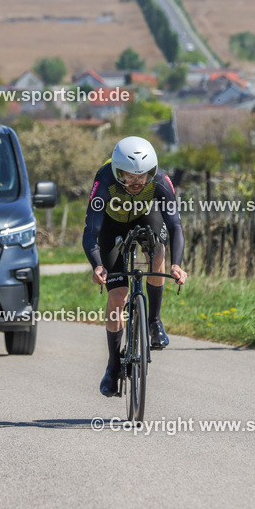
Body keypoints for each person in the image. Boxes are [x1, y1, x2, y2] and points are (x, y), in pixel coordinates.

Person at [83, 136, 188, 397]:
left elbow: (175, 225)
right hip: (111, 225)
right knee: (117, 296)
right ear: (117, 172)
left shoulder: (160, 180)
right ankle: (113, 364)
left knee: (158, 250)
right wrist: (97, 266)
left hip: (145, 215)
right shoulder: (105, 180)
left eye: (142, 177)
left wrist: (177, 265)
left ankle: (154, 321)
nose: (136, 183)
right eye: (129, 177)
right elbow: (90, 232)